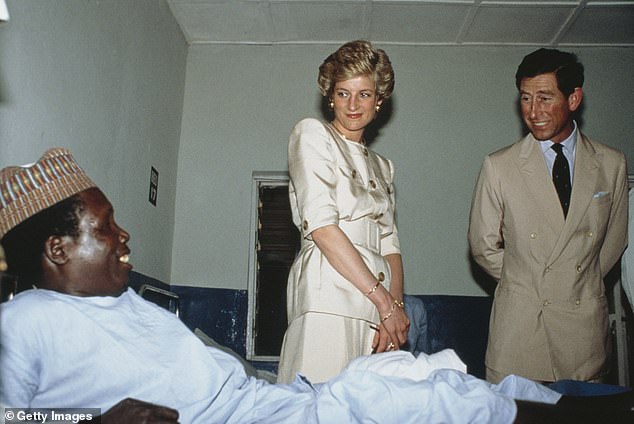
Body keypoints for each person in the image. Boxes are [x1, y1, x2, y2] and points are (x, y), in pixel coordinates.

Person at [0, 148, 633, 424]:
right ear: (57, 250)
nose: (123, 236)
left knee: (403, 376)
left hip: (266, 405)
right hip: (247, 418)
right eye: (105, 228)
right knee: (400, 401)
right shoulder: (26, 318)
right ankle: (568, 416)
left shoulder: (129, 304)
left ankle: (555, 405)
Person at [468, 48, 629, 384]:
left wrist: (574, 281)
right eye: (525, 99)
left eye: (544, 98)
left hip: (583, 335)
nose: (533, 111)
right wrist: (526, 280)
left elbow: (613, 242)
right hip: (520, 334)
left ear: (573, 98)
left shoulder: (612, 164)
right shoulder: (499, 166)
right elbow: (483, 246)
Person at [277, 40, 410, 384]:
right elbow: (321, 227)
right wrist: (384, 303)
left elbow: (389, 244)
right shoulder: (312, 135)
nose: (353, 105)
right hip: (327, 299)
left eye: (364, 94)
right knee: (314, 407)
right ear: (330, 97)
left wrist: (392, 311)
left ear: (379, 100)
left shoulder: (384, 167)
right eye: (343, 93)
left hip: (377, 311)